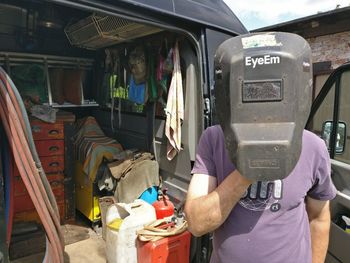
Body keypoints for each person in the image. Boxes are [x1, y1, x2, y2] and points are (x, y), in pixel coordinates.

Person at [184, 125, 337, 263]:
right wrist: (248, 171)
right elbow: (196, 223)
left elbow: (319, 218)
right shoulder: (215, 138)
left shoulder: (312, 146)